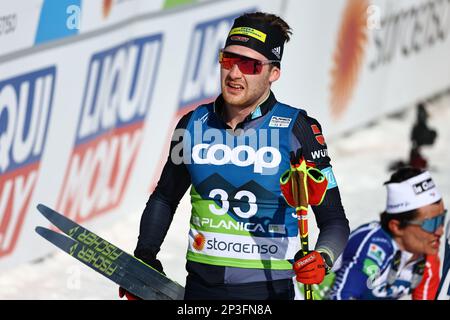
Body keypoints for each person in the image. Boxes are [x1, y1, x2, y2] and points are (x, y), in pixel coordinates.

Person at [122, 12, 349, 300]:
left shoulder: (298, 128)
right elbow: (165, 198)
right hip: (200, 290)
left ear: (273, 73)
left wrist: (322, 257)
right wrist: (145, 258)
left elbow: (334, 220)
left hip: (267, 293)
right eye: (228, 60)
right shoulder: (192, 123)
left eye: (250, 65)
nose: (234, 74)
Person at [329, 167, 444, 300]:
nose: (440, 231)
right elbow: (340, 296)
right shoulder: (374, 246)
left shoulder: (427, 258)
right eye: (431, 224)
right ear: (397, 227)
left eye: (442, 219)